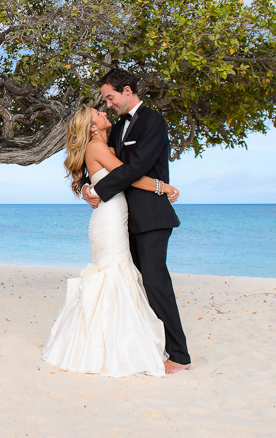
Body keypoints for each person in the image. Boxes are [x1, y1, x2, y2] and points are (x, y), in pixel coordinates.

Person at [42, 104, 180, 377]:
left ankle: (119, 339)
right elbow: (126, 175)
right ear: (92, 127)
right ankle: (110, 346)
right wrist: (162, 187)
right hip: (108, 218)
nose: (105, 112)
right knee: (114, 273)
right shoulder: (96, 146)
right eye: (98, 114)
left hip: (118, 215)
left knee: (121, 273)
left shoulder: (109, 140)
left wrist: (85, 187)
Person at [83, 68, 191, 374]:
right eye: (105, 100)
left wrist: (100, 191)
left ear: (127, 90)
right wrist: (85, 188)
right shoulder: (116, 129)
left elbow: (136, 168)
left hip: (153, 217)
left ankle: (180, 355)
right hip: (122, 219)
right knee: (134, 286)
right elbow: (98, 163)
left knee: (156, 283)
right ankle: (148, 346)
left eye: (110, 97)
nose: (108, 105)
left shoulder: (153, 122)